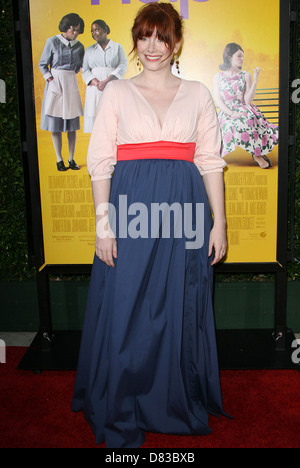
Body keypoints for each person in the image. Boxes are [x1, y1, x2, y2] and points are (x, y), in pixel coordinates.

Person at [72, 2, 229, 448]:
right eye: (145, 37)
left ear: (176, 42)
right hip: (130, 207)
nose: (154, 46)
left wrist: (219, 224)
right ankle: (125, 399)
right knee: (128, 305)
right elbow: (100, 163)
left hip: (187, 209)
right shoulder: (117, 92)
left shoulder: (199, 93)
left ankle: (174, 398)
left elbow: (210, 162)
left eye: (163, 37)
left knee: (180, 301)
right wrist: (104, 226)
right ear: (136, 42)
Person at [213, 43, 279, 169]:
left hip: (243, 107)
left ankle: (256, 154)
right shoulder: (218, 77)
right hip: (226, 111)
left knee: (248, 120)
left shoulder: (245, 75)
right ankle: (217, 157)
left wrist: (255, 79)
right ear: (230, 57)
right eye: (239, 56)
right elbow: (218, 100)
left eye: (243, 56)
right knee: (230, 124)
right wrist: (231, 113)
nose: (242, 59)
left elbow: (248, 100)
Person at [39, 13, 85, 171]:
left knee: (72, 125)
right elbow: (43, 65)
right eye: (74, 30)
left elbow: (79, 66)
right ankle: (59, 160)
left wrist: (69, 76)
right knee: (56, 125)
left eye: (78, 30)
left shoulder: (79, 46)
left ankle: (71, 159)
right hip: (55, 83)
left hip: (70, 83)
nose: (76, 33)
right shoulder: (52, 42)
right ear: (67, 27)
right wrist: (51, 79)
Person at [82, 20, 128, 133]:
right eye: (92, 31)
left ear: (105, 30)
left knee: (112, 117)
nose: (94, 33)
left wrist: (107, 80)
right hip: (95, 88)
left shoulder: (117, 47)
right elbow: (85, 69)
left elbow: (123, 65)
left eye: (97, 29)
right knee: (96, 119)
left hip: (112, 84)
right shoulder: (89, 50)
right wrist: (96, 82)